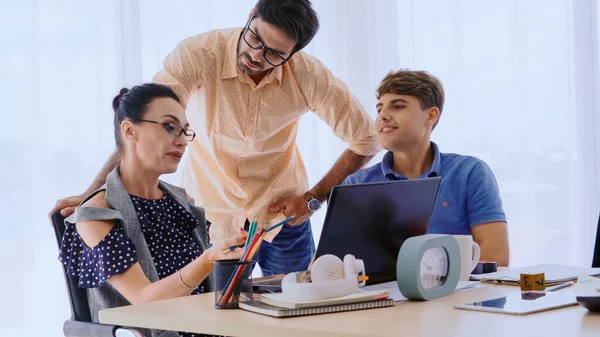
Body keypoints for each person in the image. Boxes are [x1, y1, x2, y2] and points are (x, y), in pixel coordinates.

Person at [51, 0, 380, 276]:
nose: (257, 56)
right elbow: (143, 126)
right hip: (210, 222)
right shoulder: (198, 55)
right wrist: (94, 190)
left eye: (274, 54)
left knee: (296, 322)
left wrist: (313, 197)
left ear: (293, 54)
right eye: (255, 39)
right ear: (251, 15)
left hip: (283, 221)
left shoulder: (308, 75)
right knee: (215, 321)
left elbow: (367, 139)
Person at [58, 83, 247, 337]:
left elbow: (203, 291)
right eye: (170, 127)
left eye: (185, 132)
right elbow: (144, 300)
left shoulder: (182, 203)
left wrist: (230, 260)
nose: (181, 141)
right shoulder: (97, 214)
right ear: (129, 130)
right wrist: (208, 259)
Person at [343, 70, 509, 266]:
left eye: (397, 106)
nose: (383, 116)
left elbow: (495, 258)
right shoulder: (356, 185)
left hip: (456, 295)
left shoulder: (469, 173)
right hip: (382, 296)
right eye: (380, 109)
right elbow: (333, 263)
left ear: (430, 116)